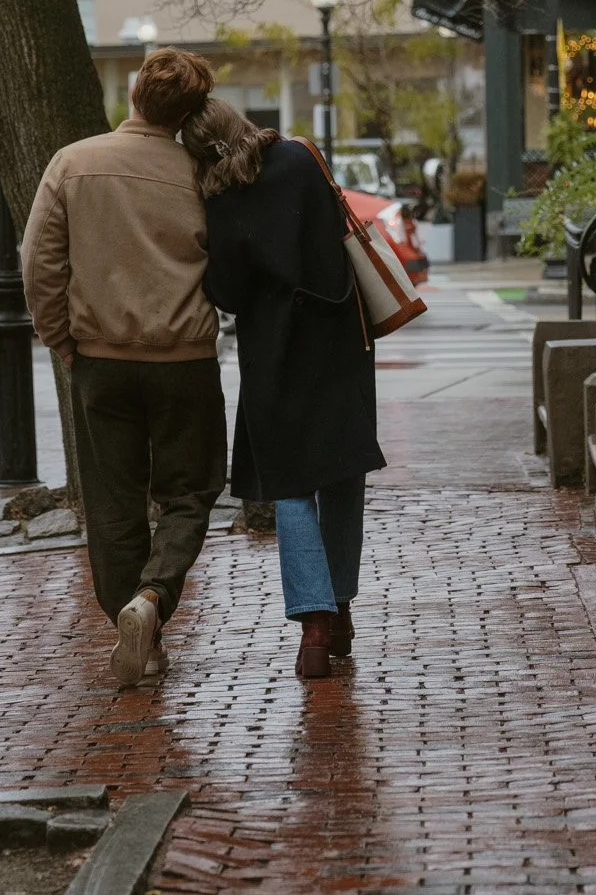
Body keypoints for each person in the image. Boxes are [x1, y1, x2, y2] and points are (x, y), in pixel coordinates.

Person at [22, 48, 228, 688]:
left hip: (102, 360)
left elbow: (39, 265)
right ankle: (153, 597)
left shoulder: (73, 163)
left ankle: (134, 625)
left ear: (135, 94)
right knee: (190, 491)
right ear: (191, 112)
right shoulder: (204, 175)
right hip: (185, 361)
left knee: (112, 502)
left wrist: (64, 339)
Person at [182, 98, 384, 678]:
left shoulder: (219, 197)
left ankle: (314, 629)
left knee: (293, 485)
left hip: (272, 354)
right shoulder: (299, 159)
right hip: (338, 339)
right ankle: (340, 604)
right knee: (343, 472)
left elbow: (226, 293)